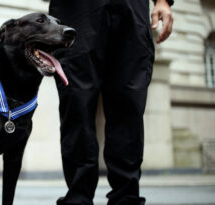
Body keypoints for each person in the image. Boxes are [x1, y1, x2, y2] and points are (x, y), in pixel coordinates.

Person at [49, 0, 174, 204]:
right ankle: (78, 198)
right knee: (77, 106)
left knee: (128, 108)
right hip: (78, 10)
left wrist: (163, 1)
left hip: (131, 9)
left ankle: (126, 198)